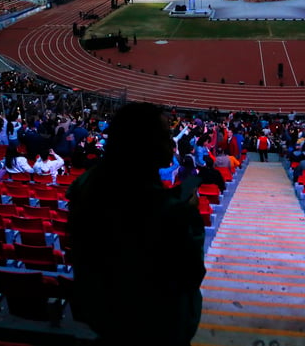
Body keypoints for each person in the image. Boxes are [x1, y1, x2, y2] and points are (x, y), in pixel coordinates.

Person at [66, 102, 205, 345]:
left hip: (108, 324)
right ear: (143, 143)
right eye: (164, 135)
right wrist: (189, 215)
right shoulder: (172, 214)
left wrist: (174, 199)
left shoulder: (88, 188)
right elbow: (191, 274)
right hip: (158, 329)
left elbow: (137, 200)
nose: (170, 142)